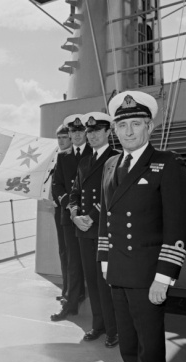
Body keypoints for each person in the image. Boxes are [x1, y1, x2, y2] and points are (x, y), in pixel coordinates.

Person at [99, 91, 186, 362]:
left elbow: (177, 225)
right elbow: (107, 222)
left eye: (135, 123)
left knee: (151, 348)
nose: (128, 131)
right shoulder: (110, 166)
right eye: (122, 125)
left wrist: (164, 277)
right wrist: (105, 263)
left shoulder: (167, 164)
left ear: (149, 126)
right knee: (128, 346)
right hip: (118, 272)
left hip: (149, 274)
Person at [67, 111, 120, 347]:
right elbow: (75, 192)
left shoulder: (117, 158)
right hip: (84, 230)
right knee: (91, 279)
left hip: (105, 230)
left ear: (108, 132)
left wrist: (90, 215)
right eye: (89, 131)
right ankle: (98, 325)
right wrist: (75, 214)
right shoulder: (84, 162)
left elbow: (114, 193)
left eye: (97, 130)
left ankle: (114, 329)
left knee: (106, 281)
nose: (92, 135)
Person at [50, 114, 91, 321]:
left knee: (95, 265)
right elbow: (57, 184)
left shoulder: (97, 154)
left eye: (79, 131)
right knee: (73, 263)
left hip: (93, 219)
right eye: (72, 131)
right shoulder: (63, 158)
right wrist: (69, 206)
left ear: (86, 133)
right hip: (69, 217)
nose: (75, 135)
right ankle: (71, 304)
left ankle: (104, 315)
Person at [50, 124, 72, 301]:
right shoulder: (55, 156)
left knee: (72, 252)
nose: (62, 141)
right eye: (59, 138)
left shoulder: (73, 157)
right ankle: (67, 288)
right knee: (63, 251)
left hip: (72, 209)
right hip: (59, 209)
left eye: (65, 137)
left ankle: (73, 290)